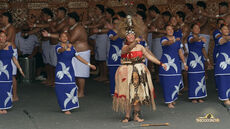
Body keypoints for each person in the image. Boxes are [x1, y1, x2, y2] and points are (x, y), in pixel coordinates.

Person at [113, 15, 167, 123]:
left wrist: (161, 63)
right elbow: (129, 48)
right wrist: (136, 42)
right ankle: (127, 116)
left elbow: (149, 56)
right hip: (126, 72)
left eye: (133, 35)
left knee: (137, 94)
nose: (131, 37)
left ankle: (136, 115)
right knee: (128, 94)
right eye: (129, 36)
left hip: (139, 71)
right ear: (126, 37)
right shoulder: (124, 47)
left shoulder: (141, 47)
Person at [42, 12, 91, 98]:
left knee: (80, 73)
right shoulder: (70, 27)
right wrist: (48, 34)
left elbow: (70, 39)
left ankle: (81, 92)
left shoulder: (78, 28)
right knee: (75, 72)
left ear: (73, 19)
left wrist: (65, 32)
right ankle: (77, 89)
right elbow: (62, 36)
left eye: (69, 19)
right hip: (74, 52)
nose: (67, 20)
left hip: (82, 52)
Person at [55, 32, 96, 114]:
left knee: (70, 86)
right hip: (61, 70)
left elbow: (79, 57)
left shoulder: (72, 48)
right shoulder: (58, 47)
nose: (64, 38)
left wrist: (89, 64)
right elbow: (61, 50)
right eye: (62, 36)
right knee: (61, 88)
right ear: (59, 39)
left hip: (70, 70)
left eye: (66, 36)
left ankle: (69, 105)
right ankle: (65, 107)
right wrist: (66, 47)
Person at [159, 25, 188, 108]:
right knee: (168, 82)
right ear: (165, 31)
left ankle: (173, 98)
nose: (170, 31)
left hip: (175, 63)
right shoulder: (163, 39)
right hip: (166, 63)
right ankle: (169, 101)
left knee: (176, 80)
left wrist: (184, 63)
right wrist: (174, 40)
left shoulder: (178, 40)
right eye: (168, 29)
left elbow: (180, 53)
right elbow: (166, 43)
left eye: (171, 29)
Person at [0, 31, 24, 114]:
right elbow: (1, 47)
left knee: (7, 88)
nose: (3, 38)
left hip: (8, 69)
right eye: (1, 36)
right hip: (0, 69)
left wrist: (20, 68)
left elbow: (13, 58)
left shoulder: (10, 44)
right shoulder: (2, 45)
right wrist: (4, 45)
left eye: (4, 36)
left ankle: (5, 106)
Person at [187, 23, 211, 103]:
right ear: (192, 29)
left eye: (198, 28)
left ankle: (200, 96)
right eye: (195, 28)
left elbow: (203, 49)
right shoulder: (190, 37)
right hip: (192, 61)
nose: (197, 29)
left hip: (200, 61)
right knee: (193, 78)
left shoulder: (201, 39)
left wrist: (207, 59)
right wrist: (199, 38)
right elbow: (192, 40)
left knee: (200, 77)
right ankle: (193, 97)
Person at [1, 12, 18, 101]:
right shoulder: (4, 28)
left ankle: (15, 95)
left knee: (12, 74)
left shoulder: (11, 28)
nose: (1, 19)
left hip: (11, 51)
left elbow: (8, 39)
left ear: (6, 18)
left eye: (2, 17)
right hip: (4, 52)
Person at [106, 17, 123, 95]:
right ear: (112, 24)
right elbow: (113, 39)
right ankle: (113, 91)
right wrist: (120, 32)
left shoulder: (123, 32)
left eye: (118, 23)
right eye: (115, 23)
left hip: (123, 54)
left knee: (123, 74)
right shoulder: (111, 32)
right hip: (113, 55)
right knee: (113, 74)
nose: (117, 25)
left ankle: (122, 91)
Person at [215, 24, 230, 106]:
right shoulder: (219, 38)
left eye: (227, 29)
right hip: (222, 63)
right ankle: (225, 99)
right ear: (221, 31)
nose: (227, 30)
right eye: (224, 29)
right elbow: (224, 40)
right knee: (223, 80)